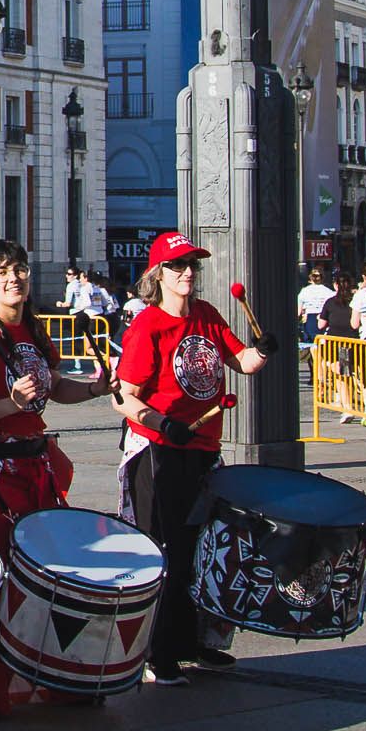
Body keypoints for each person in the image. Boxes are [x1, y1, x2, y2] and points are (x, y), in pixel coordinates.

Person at [0, 237, 109, 713]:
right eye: (2, 273)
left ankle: (48, 676)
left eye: (20, 270)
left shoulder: (33, 330)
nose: (15, 279)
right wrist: (9, 402)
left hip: (33, 470)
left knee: (45, 579)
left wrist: (94, 388)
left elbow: (52, 387)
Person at [111, 232, 266, 687]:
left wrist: (265, 348)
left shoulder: (207, 315)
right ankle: (157, 653)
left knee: (205, 551)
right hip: (157, 452)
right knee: (165, 552)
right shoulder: (148, 326)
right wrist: (161, 424)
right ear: (157, 275)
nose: (187, 274)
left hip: (201, 450)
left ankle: (195, 642)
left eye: (192, 267)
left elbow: (244, 361)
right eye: (178, 267)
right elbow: (124, 397)